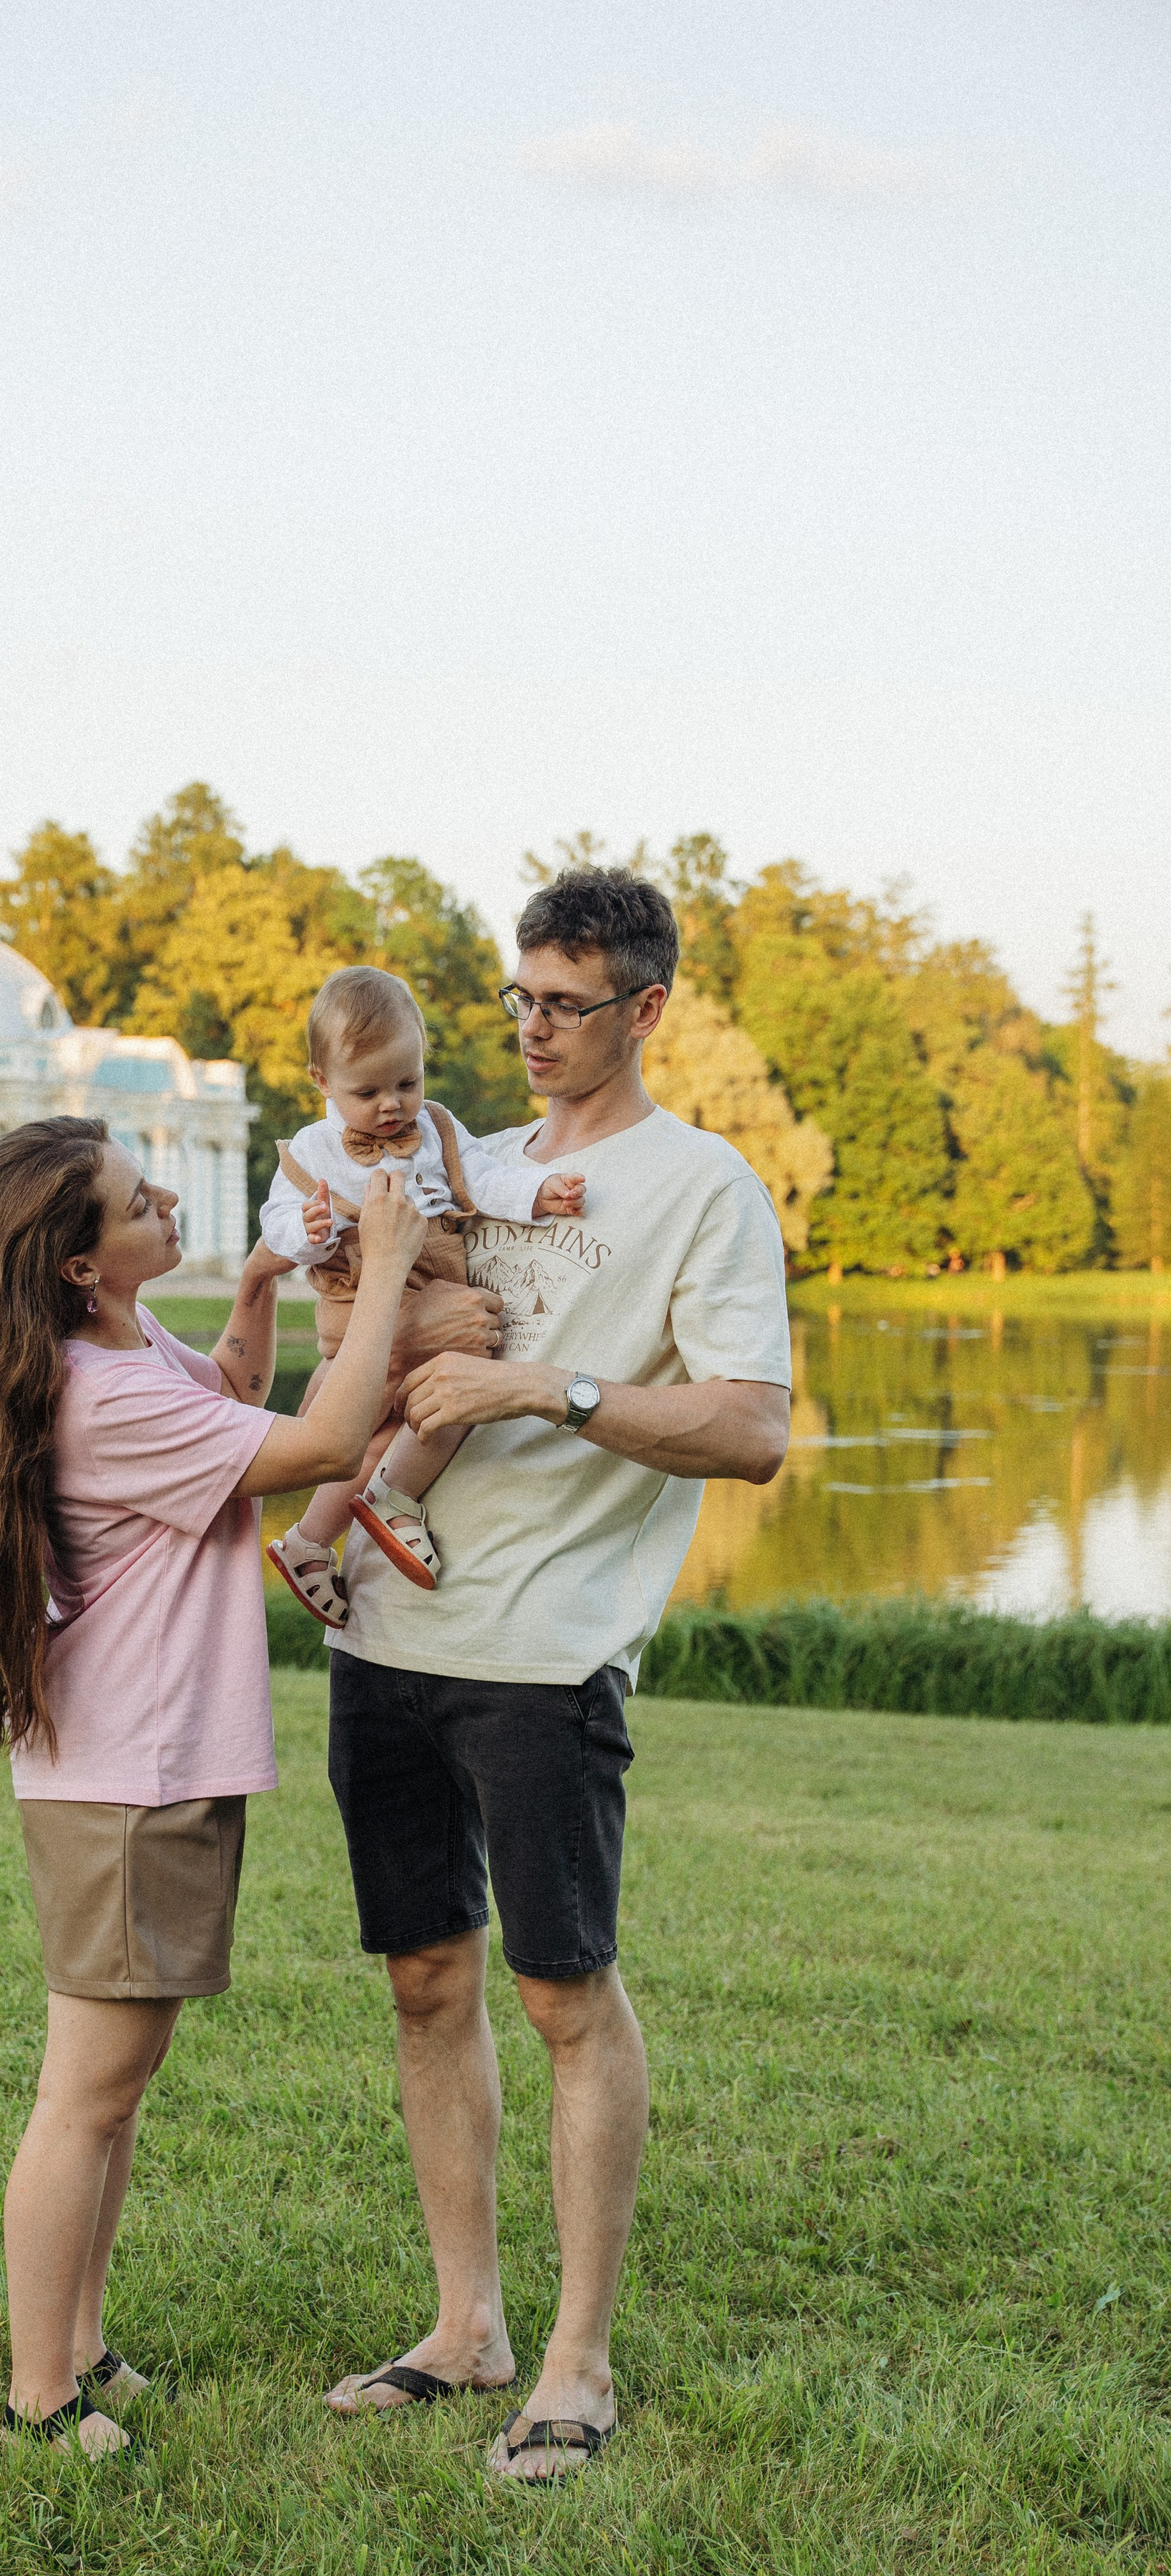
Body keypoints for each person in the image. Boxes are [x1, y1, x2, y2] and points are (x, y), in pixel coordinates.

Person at [320, 870, 793, 2482]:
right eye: (516, 999)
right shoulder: (474, 1164)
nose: (527, 1030)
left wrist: (550, 1385)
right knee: (421, 1979)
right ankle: (467, 2329)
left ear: (645, 1009)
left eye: (563, 1004)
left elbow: (748, 1428)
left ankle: (575, 2365)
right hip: (383, 1637)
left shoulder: (703, 1187)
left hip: (543, 1652)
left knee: (559, 1992)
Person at [0, 1113, 428, 2459]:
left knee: (121, 2078)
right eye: (133, 1201)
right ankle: (41, 2394)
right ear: (81, 1265)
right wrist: (384, 1270)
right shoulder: (105, 1397)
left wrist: (260, 1289)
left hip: (144, 1766)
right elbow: (322, 1445)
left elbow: (235, 1398)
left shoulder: (122, 1350)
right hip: (131, 1781)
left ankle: (85, 2344)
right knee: (86, 2089)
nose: (164, 1201)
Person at [260, 966, 584, 1624]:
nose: (391, 1105)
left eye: (407, 1083)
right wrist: (309, 1229)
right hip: (362, 1289)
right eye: (368, 1090)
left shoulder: (436, 1127)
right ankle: (363, 1513)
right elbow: (275, 1224)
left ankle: (326, 1533)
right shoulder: (314, 1150)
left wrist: (534, 1194)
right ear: (322, 1082)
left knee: (428, 1405)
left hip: (434, 1276)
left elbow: (482, 1179)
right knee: (408, 1397)